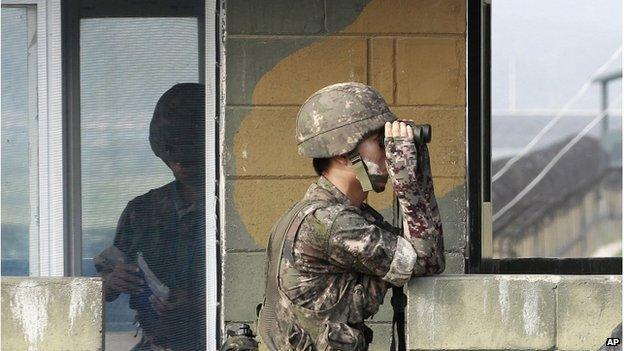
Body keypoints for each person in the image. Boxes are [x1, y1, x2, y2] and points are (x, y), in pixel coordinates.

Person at [256, 82, 445, 350]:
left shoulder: (322, 213)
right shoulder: (335, 225)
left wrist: (418, 164)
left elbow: (422, 254)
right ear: (344, 155)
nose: (388, 151)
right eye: (380, 142)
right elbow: (427, 260)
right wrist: (406, 177)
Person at [94, 83, 206, 351]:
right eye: (172, 158)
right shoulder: (142, 210)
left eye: (187, 159)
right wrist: (112, 281)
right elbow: (105, 285)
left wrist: (197, 301)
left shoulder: (225, 211)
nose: (179, 166)